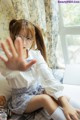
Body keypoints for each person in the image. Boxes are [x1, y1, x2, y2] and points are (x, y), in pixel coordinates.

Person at [0, 19, 80, 120]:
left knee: (62, 97)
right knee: (45, 99)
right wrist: (12, 69)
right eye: (19, 37)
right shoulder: (6, 57)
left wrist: (66, 105)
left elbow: (48, 78)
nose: (24, 42)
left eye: (28, 38)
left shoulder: (35, 55)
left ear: (33, 40)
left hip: (38, 90)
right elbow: (4, 66)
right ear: (13, 36)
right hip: (21, 98)